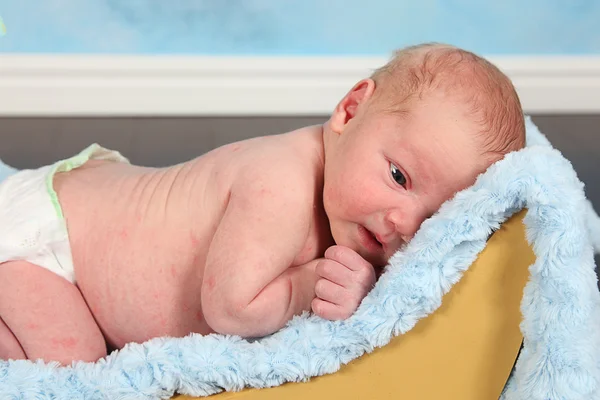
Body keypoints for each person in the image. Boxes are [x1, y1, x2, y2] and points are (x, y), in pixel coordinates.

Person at [0, 43, 525, 365]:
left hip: (89, 209)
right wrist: (310, 283)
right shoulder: (280, 183)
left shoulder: (355, 213)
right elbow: (230, 308)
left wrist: (354, 287)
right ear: (350, 110)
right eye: (398, 176)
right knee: (73, 361)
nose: (403, 222)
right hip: (54, 240)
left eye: (432, 218)